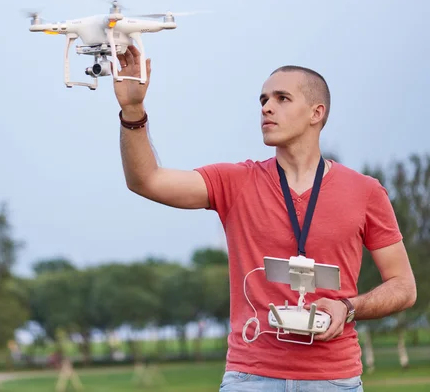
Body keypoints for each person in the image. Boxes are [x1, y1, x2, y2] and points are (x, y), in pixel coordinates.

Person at [112, 45, 417, 391]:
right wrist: (132, 109)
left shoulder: (365, 192)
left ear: (317, 112)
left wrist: (348, 307)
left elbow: (404, 287)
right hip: (250, 378)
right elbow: (146, 181)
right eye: (263, 100)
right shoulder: (235, 182)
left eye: (282, 98)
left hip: (333, 380)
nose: (266, 108)